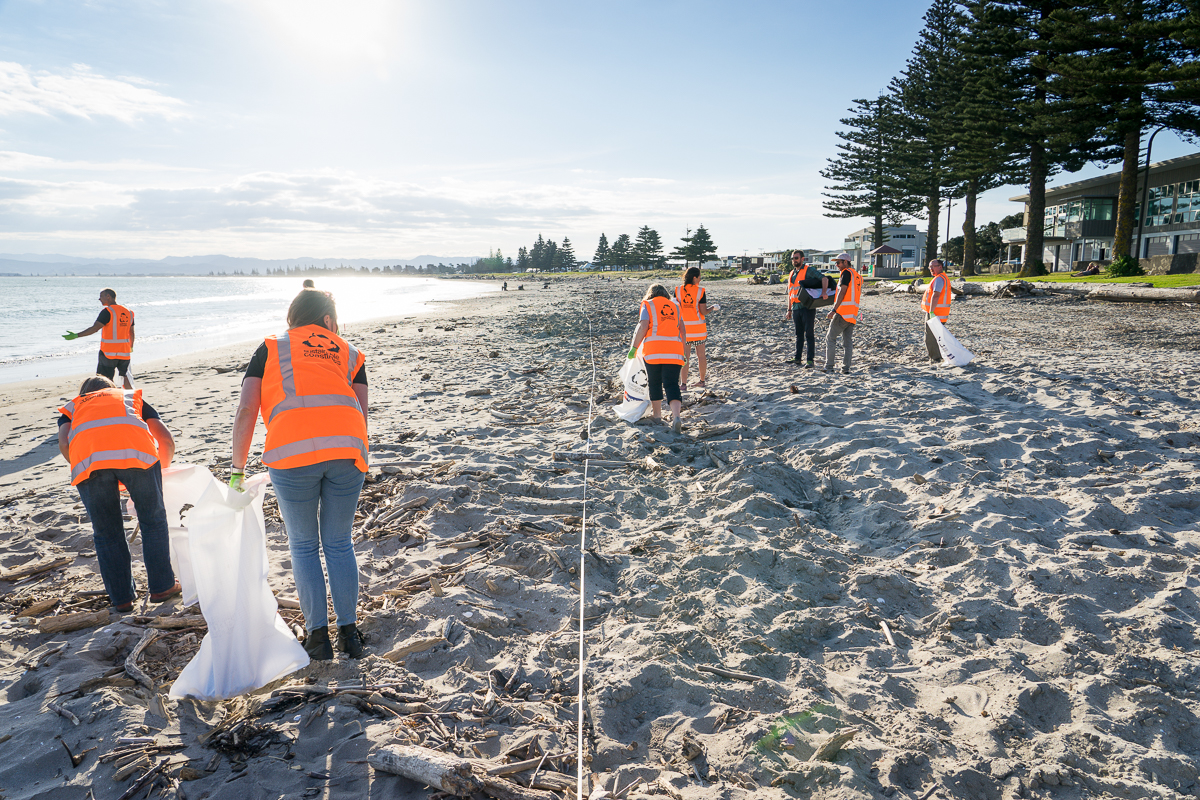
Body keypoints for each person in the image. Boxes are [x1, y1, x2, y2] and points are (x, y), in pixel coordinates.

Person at [230, 289, 370, 661]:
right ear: (327, 320)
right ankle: (350, 635)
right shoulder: (350, 352)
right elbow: (361, 412)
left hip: (292, 454)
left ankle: (318, 638)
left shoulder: (271, 348)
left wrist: (236, 472)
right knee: (339, 543)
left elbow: (247, 410)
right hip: (346, 451)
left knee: (304, 545)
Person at [57, 375, 179, 612]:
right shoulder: (130, 397)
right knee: (153, 521)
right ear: (113, 389)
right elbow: (166, 439)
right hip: (138, 455)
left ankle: (122, 599)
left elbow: (64, 443)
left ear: (84, 394)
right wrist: (159, 472)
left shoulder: (73, 407)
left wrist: (83, 465)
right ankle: (162, 587)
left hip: (89, 461)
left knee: (106, 533)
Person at [628, 284, 687, 433]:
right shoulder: (676, 307)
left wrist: (634, 348)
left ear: (650, 294)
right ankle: (676, 417)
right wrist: (684, 353)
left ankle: (657, 416)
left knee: (655, 383)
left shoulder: (647, 305)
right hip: (675, 351)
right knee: (672, 384)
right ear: (665, 295)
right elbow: (683, 331)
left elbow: (643, 327)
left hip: (654, 351)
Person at [62, 288, 135, 389]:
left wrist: (76, 335)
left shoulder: (107, 311)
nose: (99, 299)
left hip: (108, 353)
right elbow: (131, 332)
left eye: (101, 296)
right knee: (125, 377)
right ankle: (131, 397)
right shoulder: (129, 312)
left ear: (108, 297)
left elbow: (95, 328)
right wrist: (131, 347)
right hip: (125, 352)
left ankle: (108, 398)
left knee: (105, 380)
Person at [783, 250, 831, 368]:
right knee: (798, 334)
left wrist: (824, 293)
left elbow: (824, 279)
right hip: (795, 308)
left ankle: (810, 360)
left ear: (802, 259)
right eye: (793, 258)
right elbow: (790, 293)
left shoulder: (808, 270)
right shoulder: (791, 274)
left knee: (809, 334)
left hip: (807, 307)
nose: (794, 260)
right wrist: (789, 310)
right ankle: (798, 358)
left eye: (796, 258)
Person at [823, 253, 862, 374]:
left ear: (846, 262)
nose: (836, 265)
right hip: (853, 314)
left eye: (838, 262)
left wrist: (834, 309)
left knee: (830, 338)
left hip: (843, 313)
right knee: (847, 342)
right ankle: (846, 369)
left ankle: (829, 366)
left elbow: (843, 291)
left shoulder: (846, 273)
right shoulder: (857, 276)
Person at [676, 267, 710, 390]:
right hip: (699, 329)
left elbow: (676, 309)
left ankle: (683, 384)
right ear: (694, 278)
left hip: (684, 330)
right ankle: (702, 381)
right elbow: (703, 311)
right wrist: (713, 308)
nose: (700, 280)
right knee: (701, 356)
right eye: (700, 277)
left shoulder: (678, 290)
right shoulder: (700, 291)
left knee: (685, 357)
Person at [921, 259, 953, 364]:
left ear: (940, 267)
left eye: (933, 266)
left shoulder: (939, 279)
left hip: (936, 312)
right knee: (938, 336)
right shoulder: (943, 278)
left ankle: (935, 358)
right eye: (930, 267)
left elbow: (936, 295)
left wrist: (931, 312)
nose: (931, 269)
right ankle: (939, 356)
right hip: (941, 313)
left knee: (930, 337)